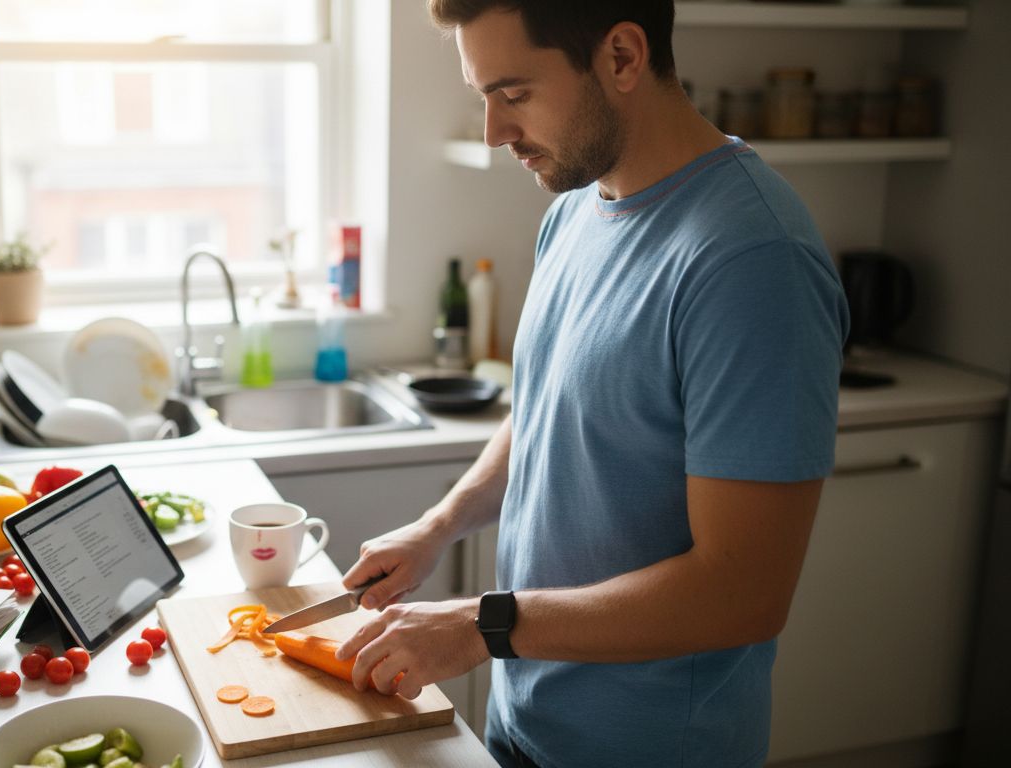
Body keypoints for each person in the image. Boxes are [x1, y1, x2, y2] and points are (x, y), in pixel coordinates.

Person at [332, 2, 850, 766]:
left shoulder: (752, 261)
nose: (494, 132)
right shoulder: (576, 207)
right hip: (528, 722)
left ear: (622, 57)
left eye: (513, 94)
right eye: (484, 97)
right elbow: (547, 409)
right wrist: (439, 525)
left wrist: (481, 624)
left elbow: (744, 592)